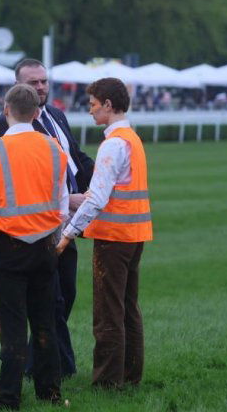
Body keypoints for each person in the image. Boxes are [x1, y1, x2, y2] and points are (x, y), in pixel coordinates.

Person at [0, 58, 94, 378]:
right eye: (33, 83)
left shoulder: (57, 115)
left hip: (68, 221)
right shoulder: (6, 126)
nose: (40, 87)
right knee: (54, 299)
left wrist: (101, 181)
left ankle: (40, 363)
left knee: (66, 293)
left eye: (44, 81)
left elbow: (75, 159)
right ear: (17, 88)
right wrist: (68, 198)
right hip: (38, 228)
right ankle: (59, 367)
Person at [0, 84, 67, 409]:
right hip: (44, 247)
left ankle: (8, 397)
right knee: (44, 323)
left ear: (5, 109)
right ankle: (50, 390)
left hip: (6, 248)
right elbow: (63, 204)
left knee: (11, 327)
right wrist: (55, 236)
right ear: (38, 112)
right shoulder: (54, 147)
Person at [54, 77, 153, 389]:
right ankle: (130, 375)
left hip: (113, 238)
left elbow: (96, 198)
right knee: (128, 309)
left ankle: (107, 382)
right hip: (134, 235)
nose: (91, 111)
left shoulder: (113, 144)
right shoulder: (131, 138)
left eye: (93, 105)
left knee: (108, 312)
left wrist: (67, 235)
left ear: (109, 105)